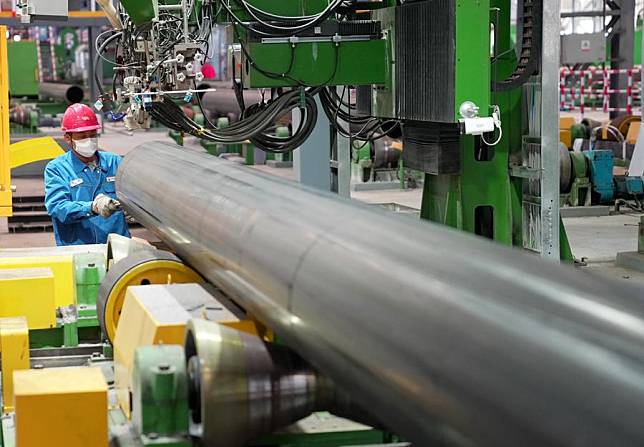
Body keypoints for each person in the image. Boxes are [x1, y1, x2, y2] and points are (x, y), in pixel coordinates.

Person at [44, 103, 130, 246]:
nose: (89, 140)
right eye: (82, 136)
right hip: (78, 249)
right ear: (68, 138)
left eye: (92, 135)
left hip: (117, 247)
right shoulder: (57, 169)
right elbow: (58, 208)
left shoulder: (114, 162)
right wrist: (92, 207)